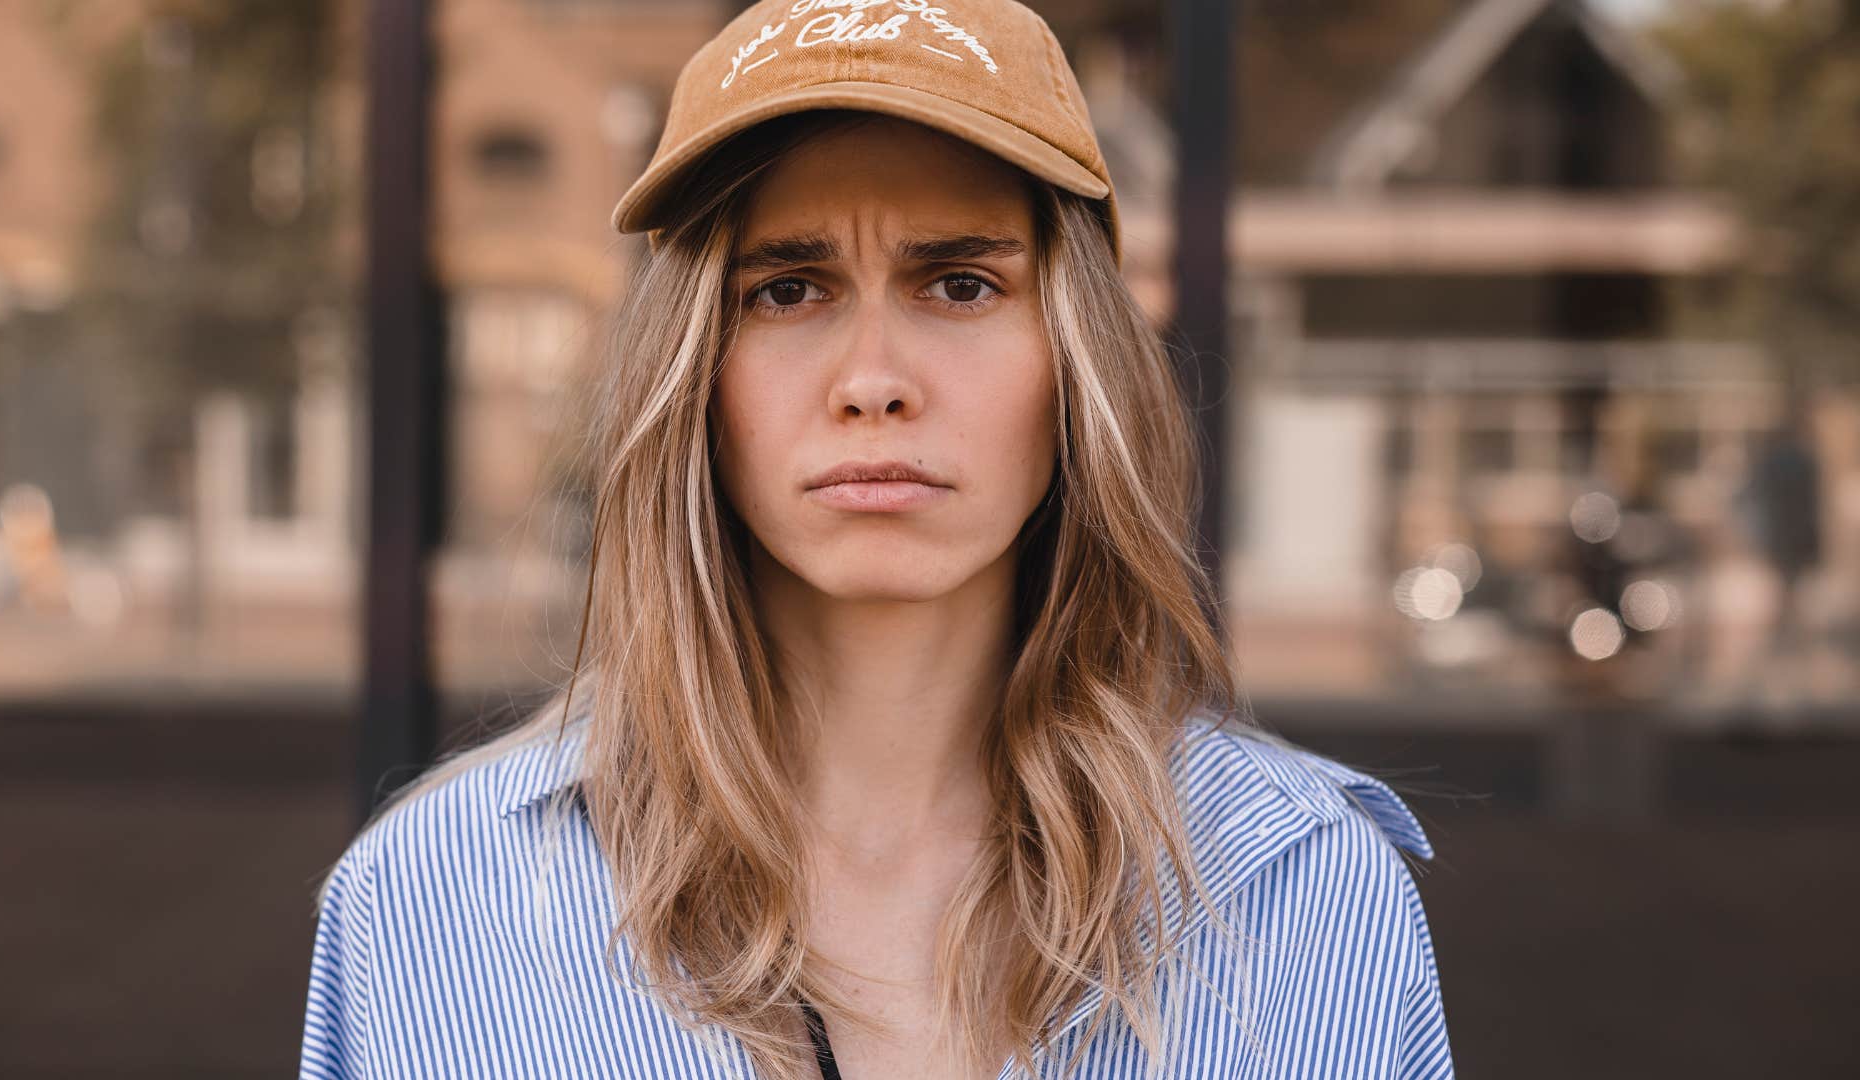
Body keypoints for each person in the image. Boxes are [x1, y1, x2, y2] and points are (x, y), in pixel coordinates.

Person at [298, 2, 1452, 1077]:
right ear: (693, 374)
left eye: (959, 283)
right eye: (788, 290)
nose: (873, 383)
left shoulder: (1305, 892)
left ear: (1076, 361)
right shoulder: (433, 902)